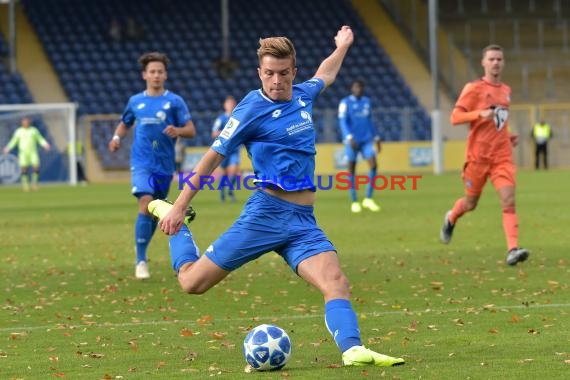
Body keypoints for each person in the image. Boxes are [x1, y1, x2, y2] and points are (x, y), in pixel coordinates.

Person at [149, 26, 405, 367]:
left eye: (283, 73)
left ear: (293, 73)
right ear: (260, 73)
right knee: (192, 283)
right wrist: (179, 206)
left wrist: (342, 45)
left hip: (302, 223)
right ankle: (176, 224)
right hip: (265, 214)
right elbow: (211, 158)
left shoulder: (303, 95)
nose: (276, 80)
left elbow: (325, 73)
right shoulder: (249, 110)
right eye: (269, 73)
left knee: (336, 281)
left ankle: (352, 349)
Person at [108, 52, 197, 280]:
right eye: (152, 71)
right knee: (145, 202)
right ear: (144, 75)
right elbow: (124, 123)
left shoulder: (174, 101)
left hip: (164, 165)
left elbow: (191, 129)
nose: (156, 75)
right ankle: (140, 260)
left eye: (160, 71)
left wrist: (178, 131)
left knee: (155, 210)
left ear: (165, 75)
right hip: (141, 162)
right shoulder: (136, 101)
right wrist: (117, 138)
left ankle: (143, 253)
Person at [440, 44, 529, 266]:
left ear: (503, 62)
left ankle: (512, 249)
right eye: (492, 59)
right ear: (484, 63)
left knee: (509, 201)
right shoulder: (474, 88)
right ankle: (451, 218)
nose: (496, 62)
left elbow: (499, 122)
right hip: (477, 158)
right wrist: (479, 113)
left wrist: (508, 137)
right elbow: (455, 117)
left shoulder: (506, 90)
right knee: (470, 203)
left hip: (501, 157)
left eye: (499, 59)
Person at [338, 80, 382, 213]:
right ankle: (354, 201)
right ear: (352, 88)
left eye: (361, 87)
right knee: (352, 169)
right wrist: (349, 137)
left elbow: (370, 121)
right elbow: (342, 121)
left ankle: (368, 199)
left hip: (366, 140)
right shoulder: (345, 103)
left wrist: (377, 137)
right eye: (356, 87)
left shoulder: (367, 102)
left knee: (373, 165)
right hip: (352, 141)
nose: (359, 89)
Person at [3, 117, 51, 192]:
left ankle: (34, 183)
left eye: (27, 121)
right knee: (24, 169)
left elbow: (40, 139)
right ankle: (25, 185)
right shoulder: (19, 131)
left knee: (36, 167)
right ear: (22, 123)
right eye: (24, 122)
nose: (25, 123)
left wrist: (45, 144)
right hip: (23, 153)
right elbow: (14, 141)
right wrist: (8, 147)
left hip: (33, 152)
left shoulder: (33, 130)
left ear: (29, 122)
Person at [211, 95, 240, 202]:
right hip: (223, 151)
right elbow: (214, 133)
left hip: (234, 151)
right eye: (229, 104)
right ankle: (222, 194)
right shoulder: (221, 119)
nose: (231, 106)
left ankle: (230, 191)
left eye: (233, 104)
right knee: (224, 174)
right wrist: (226, 133)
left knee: (234, 172)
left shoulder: (238, 118)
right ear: (225, 106)